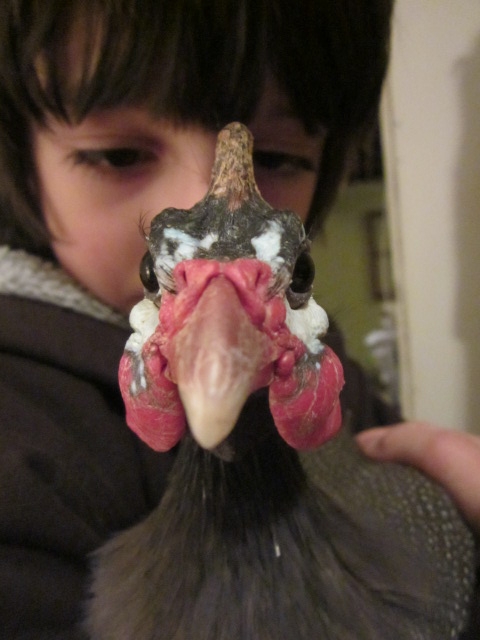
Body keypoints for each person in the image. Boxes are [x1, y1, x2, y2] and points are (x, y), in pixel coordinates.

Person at [0, 0, 477, 638]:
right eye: (118, 154)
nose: (199, 206)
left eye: (276, 157)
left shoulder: (322, 367)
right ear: (22, 160)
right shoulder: (18, 448)